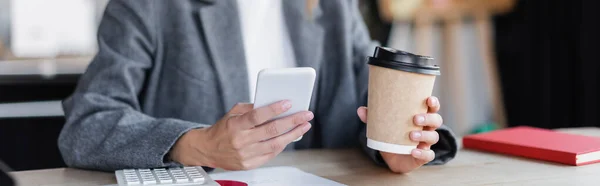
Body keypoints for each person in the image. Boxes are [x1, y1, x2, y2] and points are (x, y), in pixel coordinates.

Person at [58, 0, 457, 173]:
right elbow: (86, 125)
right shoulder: (149, 7)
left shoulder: (333, 6)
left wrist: (394, 148)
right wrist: (195, 144)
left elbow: (361, 106)